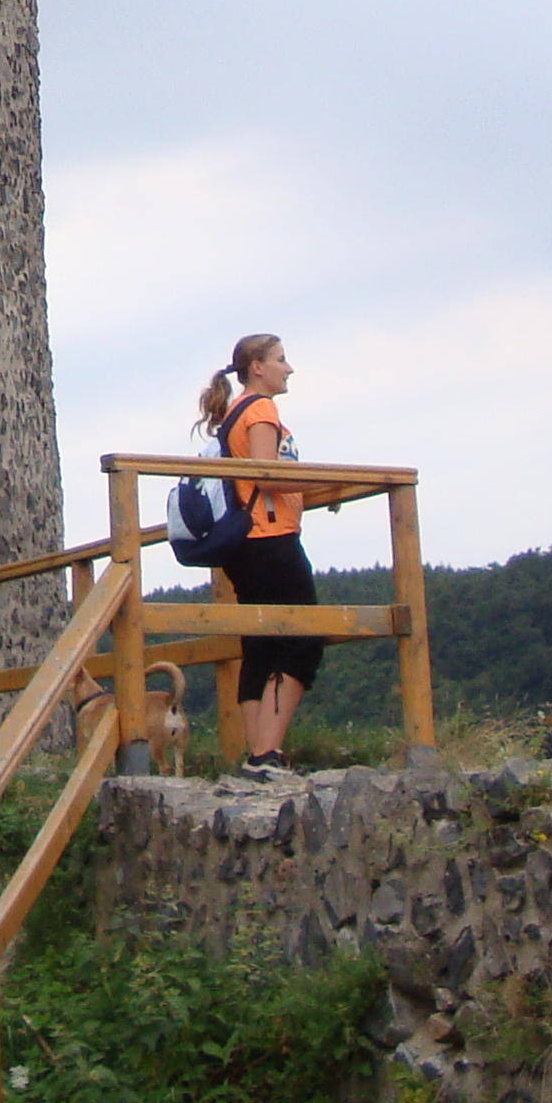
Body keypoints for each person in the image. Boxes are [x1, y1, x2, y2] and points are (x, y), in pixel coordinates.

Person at [199, 332, 321, 778]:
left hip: (244, 546)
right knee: (303, 641)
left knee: (261, 645)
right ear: (257, 367)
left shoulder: (233, 413)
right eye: (281, 360)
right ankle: (265, 753)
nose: (289, 368)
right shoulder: (262, 409)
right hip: (271, 538)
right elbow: (267, 475)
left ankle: (257, 753)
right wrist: (319, 483)